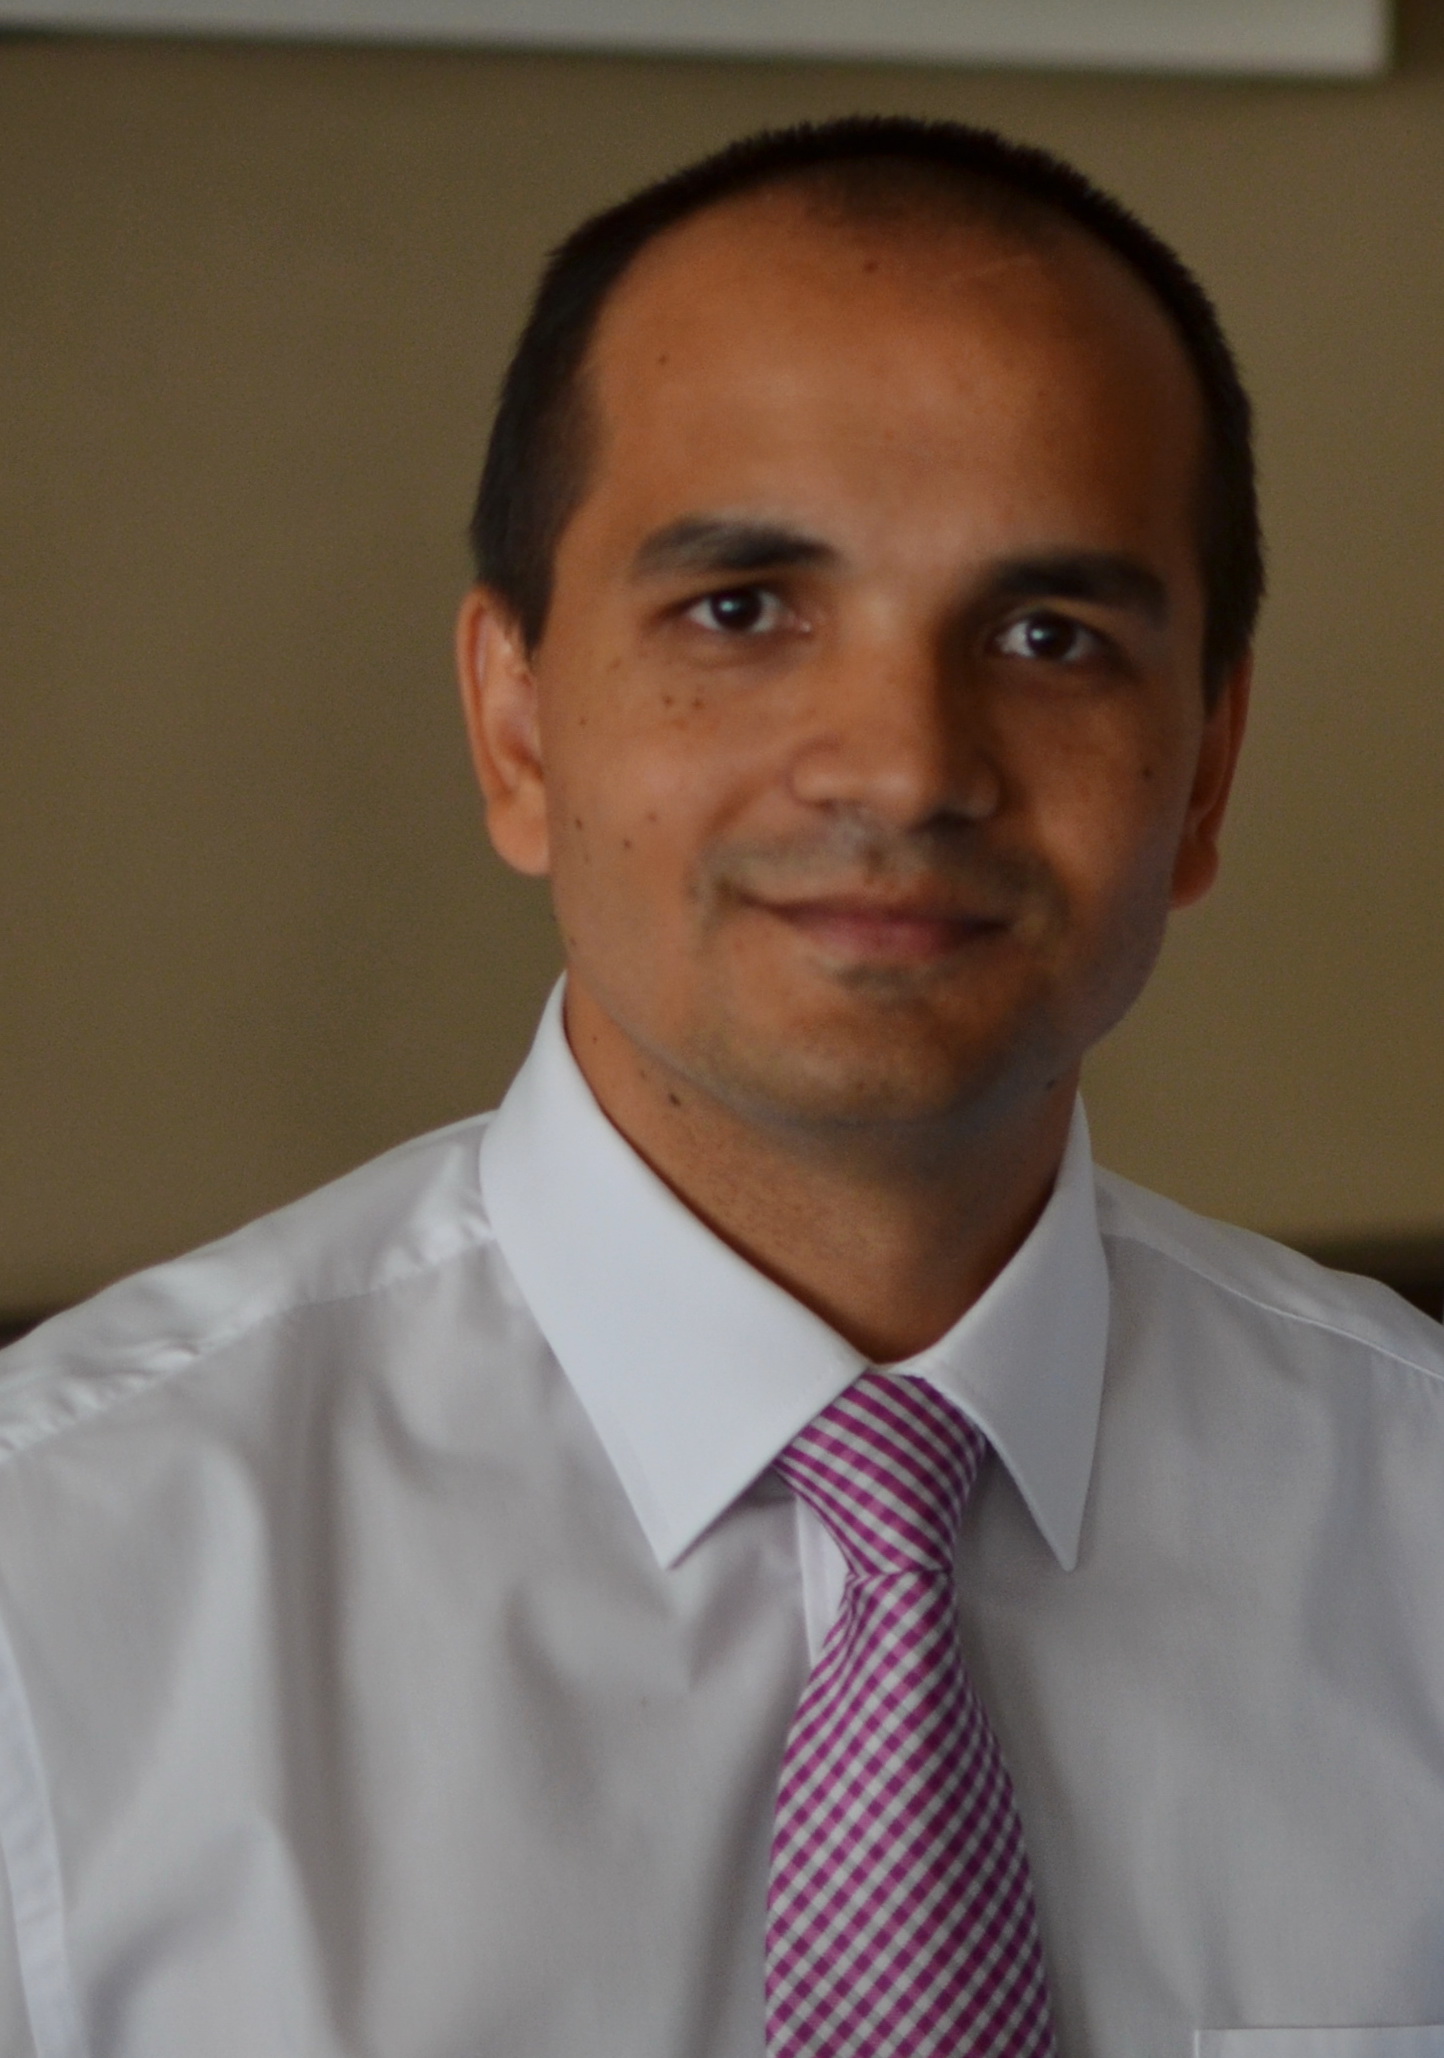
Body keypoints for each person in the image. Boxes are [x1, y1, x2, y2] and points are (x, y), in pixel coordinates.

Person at [0, 116, 1440, 2058]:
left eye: (1048, 635)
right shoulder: (49, 1596)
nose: (900, 765)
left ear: (1204, 770)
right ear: (516, 726)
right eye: (743, 608)